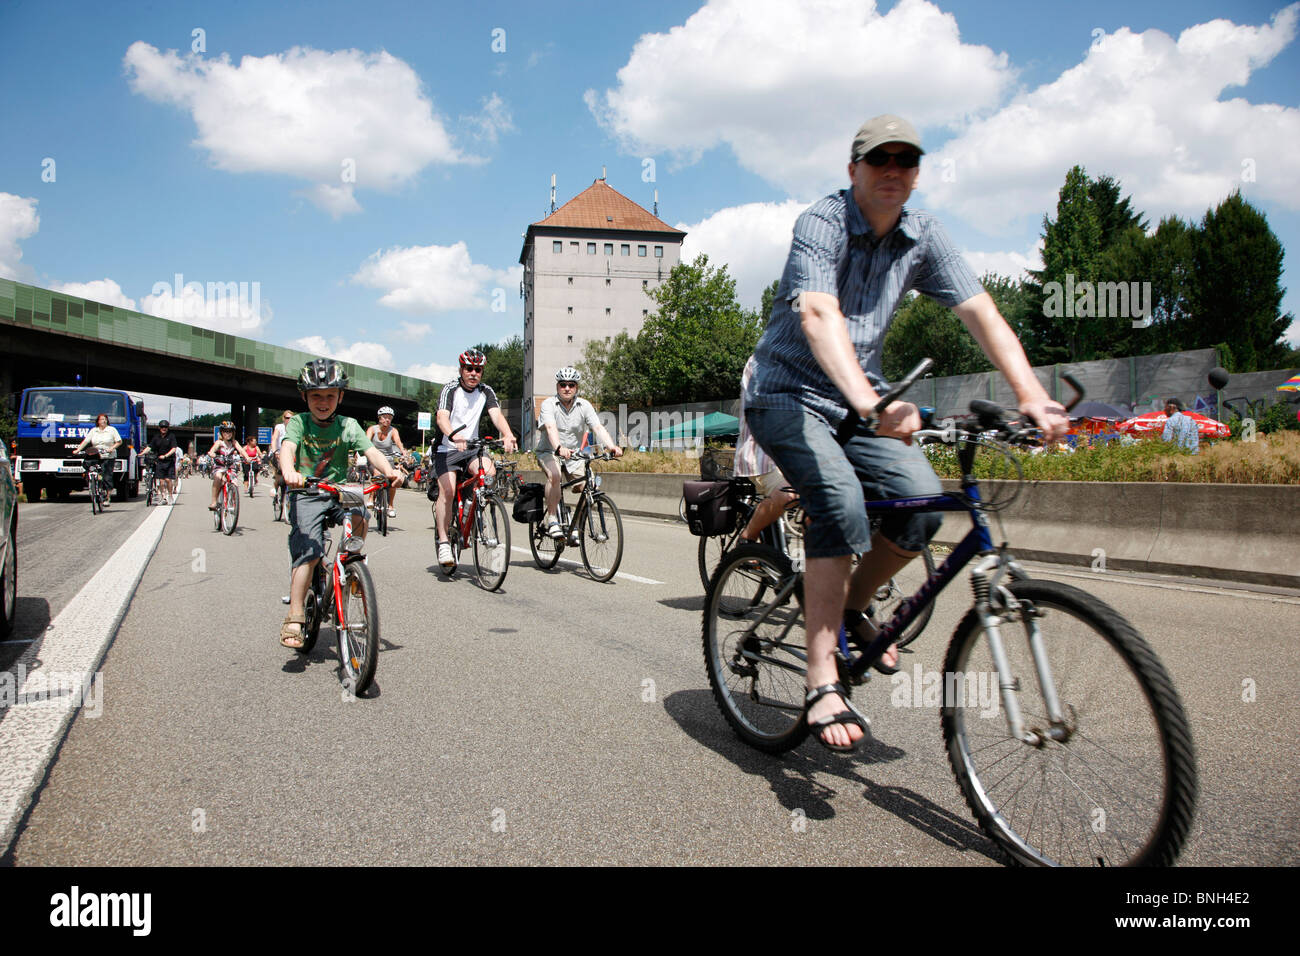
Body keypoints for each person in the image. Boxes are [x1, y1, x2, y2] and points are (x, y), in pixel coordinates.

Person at [744, 114, 1069, 753]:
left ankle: (849, 608)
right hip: (787, 395)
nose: (894, 170)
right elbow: (816, 311)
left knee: (921, 508)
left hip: (860, 403)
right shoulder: (822, 222)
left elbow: (981, 311)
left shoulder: (924, 236)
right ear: (853, 170)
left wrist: (1032, 396)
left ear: (917, 173)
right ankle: (820, 679)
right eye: (879, 159)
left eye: (907, 161)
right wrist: (868, 402)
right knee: (837, 500)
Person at [278, 358, 399, 648]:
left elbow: (371, 452)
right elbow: (288, 448)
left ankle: (351, 561)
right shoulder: (298, 422)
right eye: (316, 395)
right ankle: (294, 613)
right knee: (309, 552)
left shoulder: (349, 425)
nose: (323, 401)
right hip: (306, 492)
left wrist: (390, 471)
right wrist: (289, 472)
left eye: (330, 395)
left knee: (361, 513)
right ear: (304, 396)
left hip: (338, 490)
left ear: (340, 397)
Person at [433, 348, 518, 570]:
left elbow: (496, 415)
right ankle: (443, 540)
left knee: (488, 473)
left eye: (478, 369)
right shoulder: (450, 389)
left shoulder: (485, 391)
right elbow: (442, 417)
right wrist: (454, 435)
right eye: (469, 369)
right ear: (461, 369)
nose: (473, 373)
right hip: (447, 448)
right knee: (449, 491)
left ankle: (470, 507)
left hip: (471, 448)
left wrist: (508, 434)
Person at [535, 367, 622, 540]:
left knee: (589, 488)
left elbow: (597, 427)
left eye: (571, 385)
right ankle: (552, 518)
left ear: (576, 387)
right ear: (557, 386)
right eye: (563, 385)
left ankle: (574, 524)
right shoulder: (548, 404)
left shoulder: (585, 405)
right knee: (555, 476)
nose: (567, 388)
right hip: (549, 451)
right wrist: (559, 448)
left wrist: (612, 446)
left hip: (574, 456)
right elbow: (551, 428)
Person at [734, 355, 798, 543]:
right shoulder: (762, 362)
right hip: (760, 455)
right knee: (789, 494)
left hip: (787, 455)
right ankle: (747, 538)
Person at [365, 406, 407, 518]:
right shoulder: (372, 429)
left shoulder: (393, 431)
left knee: (394, 478)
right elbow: (366, 442)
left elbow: (398, 441)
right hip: (374, 458)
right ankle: (371, 497)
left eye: (389, 418)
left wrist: (403, 451)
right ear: (379, 418)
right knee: (377, 474)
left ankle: (391, 506)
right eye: (384, 417)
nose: (387, 420)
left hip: (388, 459)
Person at [72, 413, 121, 507]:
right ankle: (94, 485)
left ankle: (107, 497)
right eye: (102, 419)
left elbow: (119, 441)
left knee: (107, 476)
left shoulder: (111, 430)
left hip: (108, 455)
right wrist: (78, 450)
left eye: (105, 419)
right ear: (98, 421)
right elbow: (86, 441)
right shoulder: (94, 431)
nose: (104, 421)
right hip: (96, 455)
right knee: (90, 469)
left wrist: (112, 448)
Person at [207, 421, 251, 511]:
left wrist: (247, 457)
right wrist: (212, 454)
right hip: (219, 466)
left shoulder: (234, 442)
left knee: (234, 482)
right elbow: (212, 450)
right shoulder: (219, 442)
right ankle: (214, 501)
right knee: (219, 477)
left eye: (230, 431)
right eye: (225, 431)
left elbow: (242, 451)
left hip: (230, 466)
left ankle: (232, 502)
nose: (228, 433)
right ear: (221, 432)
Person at [145, 420, 183, 502]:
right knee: (161, 481)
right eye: (162, 427)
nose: (164, 428)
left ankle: (170, 495)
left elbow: (174, 448)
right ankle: (163, 496)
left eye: (165, 427)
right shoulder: (156, 437)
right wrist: (142, 453)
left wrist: (166, 455)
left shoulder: (171, 436)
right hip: (160, 461)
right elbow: (150, 447)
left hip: (169, 460)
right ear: (159, 428)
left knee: (168, 480)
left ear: (167, 428)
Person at [270, 409, 293, 490]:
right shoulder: (279, 427)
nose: (289, 420)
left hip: (290, 454)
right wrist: (275, 451)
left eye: (291, 418)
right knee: (279, 475)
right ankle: (275, 488)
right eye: (287, 418)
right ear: (283, 418)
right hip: (279, 453)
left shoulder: (294, 429)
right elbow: (274, 439)